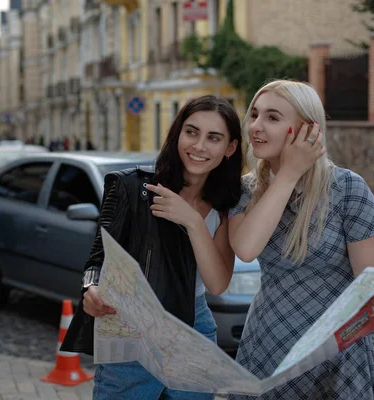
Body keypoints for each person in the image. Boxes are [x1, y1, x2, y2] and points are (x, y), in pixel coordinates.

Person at [61, 95, 244, 399]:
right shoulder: (132, 187)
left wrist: (194, 223)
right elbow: (98, 258)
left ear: (230, 148)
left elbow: (217, 283)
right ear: (177, 134)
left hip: (193, 326)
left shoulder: (225, 205)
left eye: (214, 138)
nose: (199, 146)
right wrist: (90, 288)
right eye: (191, 132)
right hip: (131, 322)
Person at [225, 80, 374, 399]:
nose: (256, 126)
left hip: (335, 353)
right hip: (268, 342)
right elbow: (246, 249)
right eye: (255, 115)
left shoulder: (348, 190)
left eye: (273, 118)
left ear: (307, 130)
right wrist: (288, 174)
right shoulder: (245, 191)